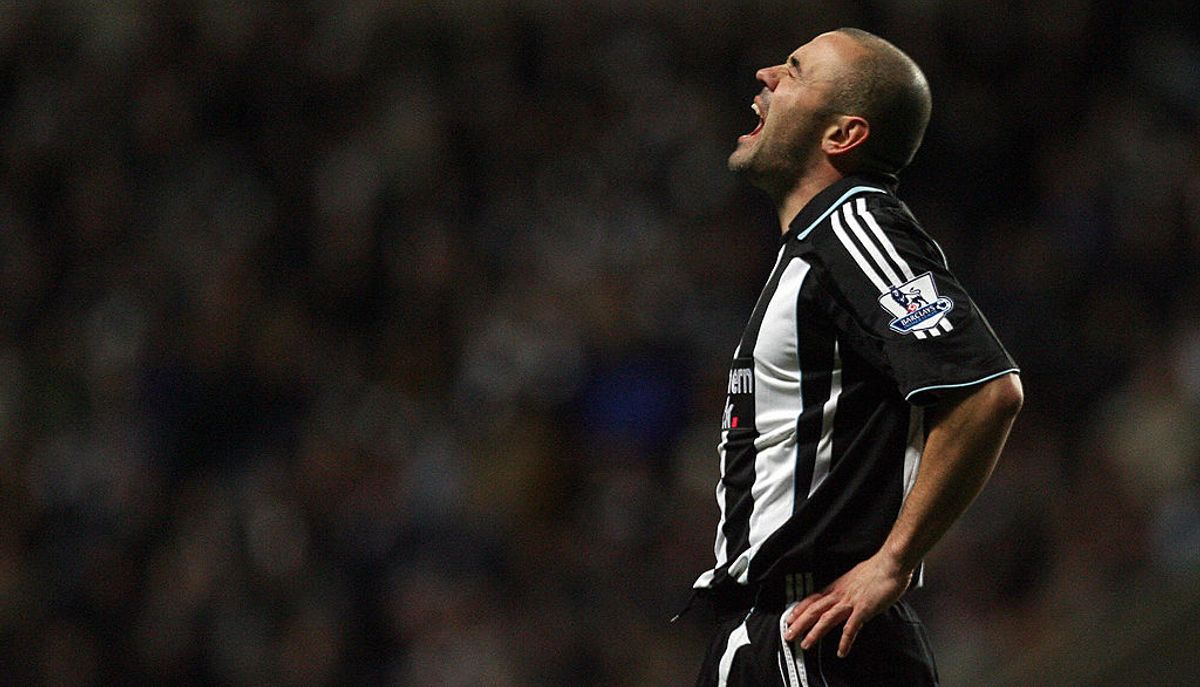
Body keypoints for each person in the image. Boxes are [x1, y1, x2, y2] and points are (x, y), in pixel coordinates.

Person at [689, 28, 1023, 686]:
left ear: (842, 135)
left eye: (794, 70)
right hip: (776, 634)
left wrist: (893, 560)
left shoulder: (854, 222)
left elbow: (985, 390)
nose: (765, 74)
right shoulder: (812, 249)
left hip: (814, 632)